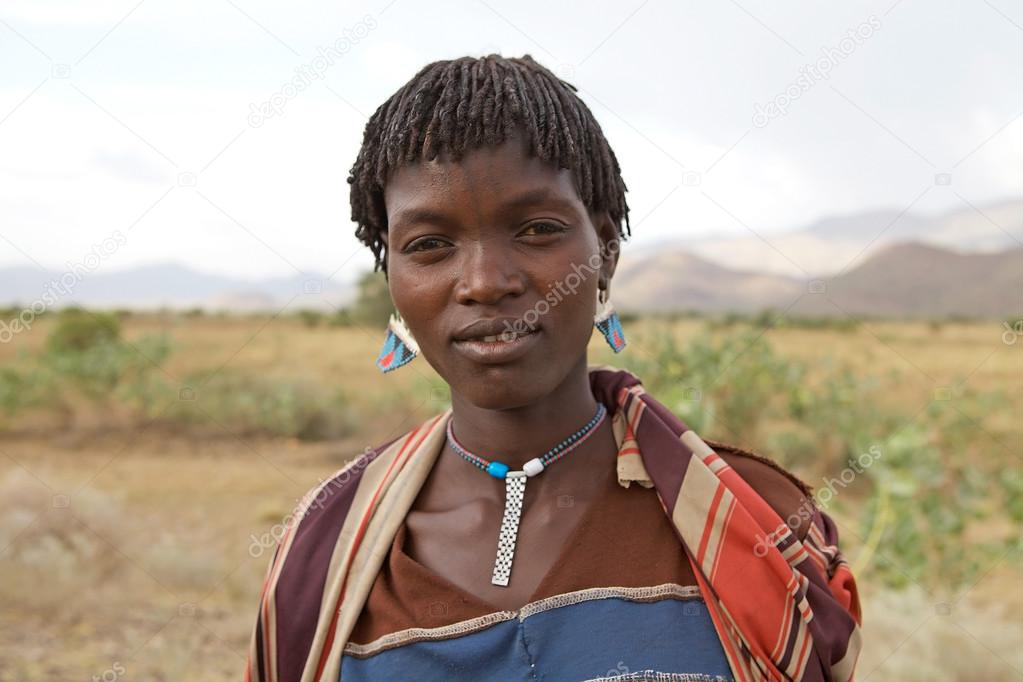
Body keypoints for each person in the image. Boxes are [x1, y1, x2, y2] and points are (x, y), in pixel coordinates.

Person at [246, 54, 862, 682]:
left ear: (606, 254)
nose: (486, 283)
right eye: (430, 244)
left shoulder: (756, 521)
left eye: (538, 229)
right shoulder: (323, 552)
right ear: (392, 278)